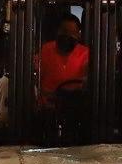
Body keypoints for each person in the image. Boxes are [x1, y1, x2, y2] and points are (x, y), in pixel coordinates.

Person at [37, 13, 93, 143]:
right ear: (57, 31)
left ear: (79, 34)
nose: (68, 36)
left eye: (72, 33)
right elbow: (36, 74)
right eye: (64, 31)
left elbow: (88, 78)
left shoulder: (85, 53)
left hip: (75, 109)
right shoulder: (46, 50)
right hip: (48, 108)